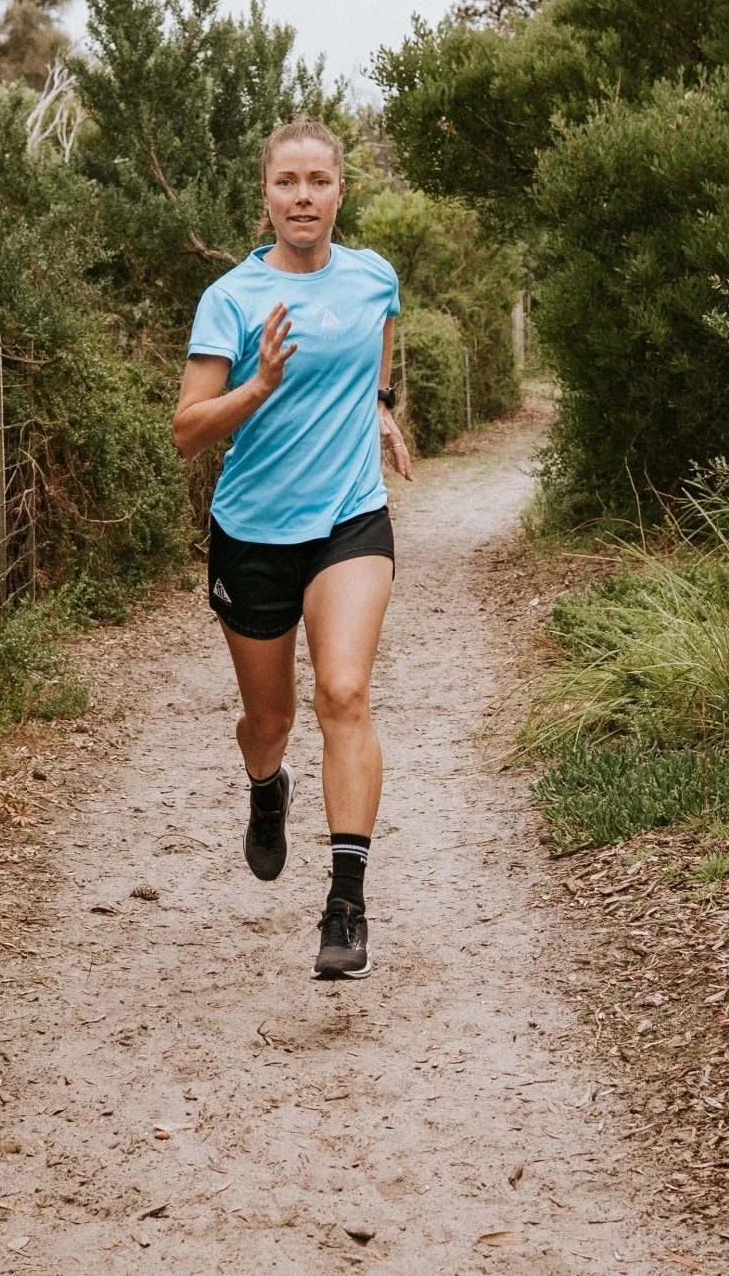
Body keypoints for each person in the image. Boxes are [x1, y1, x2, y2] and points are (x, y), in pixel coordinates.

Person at [172, 116, 414, 979]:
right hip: (252, 535)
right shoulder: (231, 298)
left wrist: (381, 402)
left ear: (340, 190)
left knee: (344, 691)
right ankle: (266, 787)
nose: (303, 196)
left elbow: (382, 329)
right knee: (267, 721)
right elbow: (187, 431)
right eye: (287, 182)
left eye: (319, 180)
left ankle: (346, 903)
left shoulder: (373, 276)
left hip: (350, 520)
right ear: (266, 195)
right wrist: (260, 384)